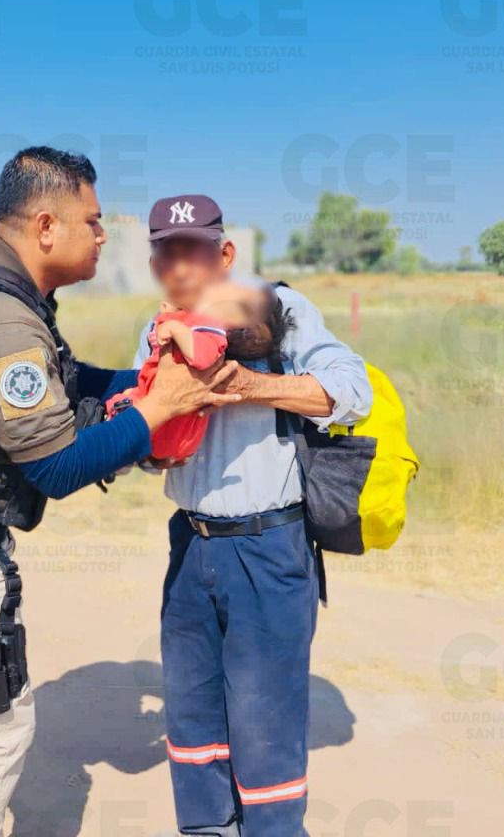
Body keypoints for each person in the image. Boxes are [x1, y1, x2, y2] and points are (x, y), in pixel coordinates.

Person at [0, 150, 238, 837]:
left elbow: (71, 377)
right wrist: (155, 414)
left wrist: (144, 384)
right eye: (93, 222)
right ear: (45, 225)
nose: (103, 237)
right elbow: (56, 468)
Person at [135, 194, 373, 836]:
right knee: (191, 715)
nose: (180, 264)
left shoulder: (280, 309)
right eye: (166, 252)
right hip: (190, 543)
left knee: (264, 719)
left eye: (195, 249)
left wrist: (246, 385)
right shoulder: (157, 328)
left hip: (270, 547)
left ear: (226, 253)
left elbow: (352, 393)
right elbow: (154, 439)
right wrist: (144, 440)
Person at [106, 281, 293, 461]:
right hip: (162, 439)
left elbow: (323, 394)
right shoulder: (192, 312)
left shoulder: (215, 333)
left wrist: (175, 328)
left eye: (255, 345)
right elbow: (144, 375)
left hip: (180, 440)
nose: (245, 337)